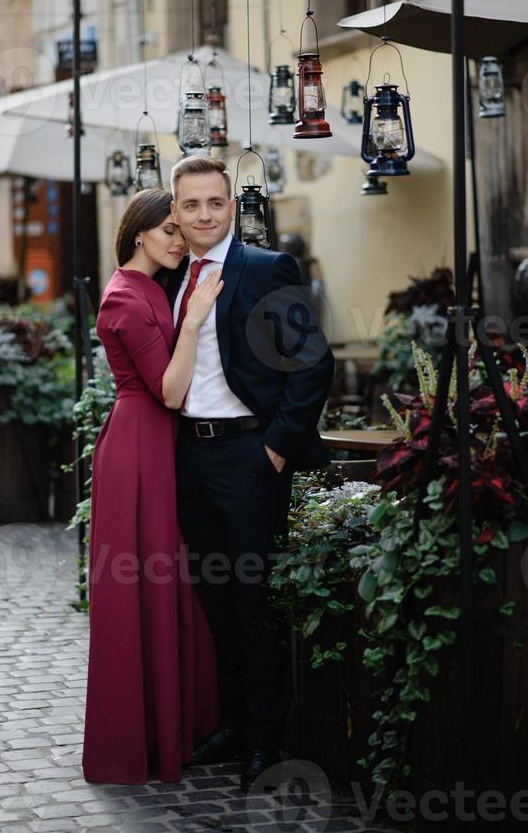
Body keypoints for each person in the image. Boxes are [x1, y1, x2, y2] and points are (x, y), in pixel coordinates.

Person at [162, 156, 335, 793]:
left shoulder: (265, 269)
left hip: (248, 455)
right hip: (189, 456)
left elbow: (313, 365)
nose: (205, 215)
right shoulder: (171, 276)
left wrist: (276, 450)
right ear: (174, 212)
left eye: (215, 203)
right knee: (214, 597)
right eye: (191, 205)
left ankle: (267, 739)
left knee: (254, 600)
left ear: (232, 206)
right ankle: (232, 724)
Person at [82, 188, 222, 785]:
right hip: (140, 444)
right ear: (139, 233)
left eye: (180, 229)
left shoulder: (145, 288)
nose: (179, 238)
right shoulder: (124, 298)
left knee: (164, 581)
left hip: (153, 442)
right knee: (142, 584)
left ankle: (174, 725)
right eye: (169, 229)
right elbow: (166, 389)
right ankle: (136, 740)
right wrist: (192, 321)